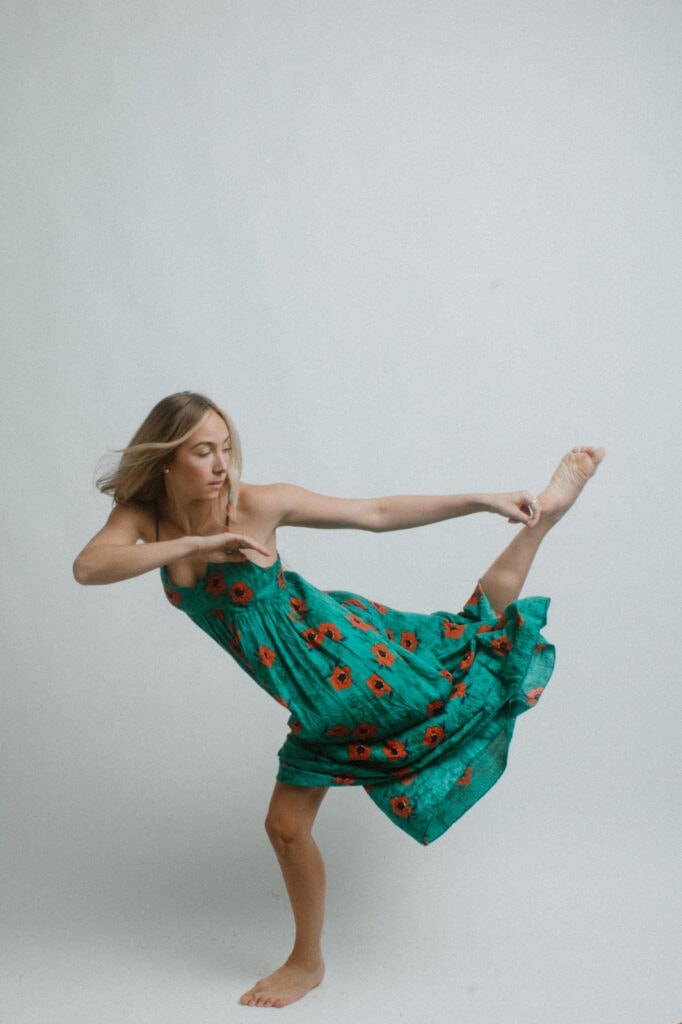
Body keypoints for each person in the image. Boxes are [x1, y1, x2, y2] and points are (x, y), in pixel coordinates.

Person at [73, 391, 604, 1009]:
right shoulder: (145, 519)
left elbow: (375, 512)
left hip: (346, 666)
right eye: (202, 452)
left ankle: (306, 963)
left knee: (465, 643)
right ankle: (308, 961)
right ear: (167, 460)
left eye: (226, 447)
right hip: (316, 691)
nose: (222, 464)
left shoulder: (255, 504)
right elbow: (89, 567)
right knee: (458, 643)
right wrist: (191, 548)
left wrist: (480, 500)